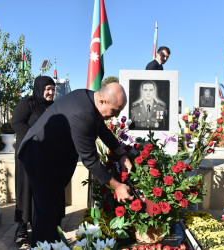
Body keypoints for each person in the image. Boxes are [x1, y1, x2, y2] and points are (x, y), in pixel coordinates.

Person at [17, 82, 134, 247]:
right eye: (115, 111)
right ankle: (42, 245)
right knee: (46, 211)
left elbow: (102, 129)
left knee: (53, 209)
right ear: (102, 102)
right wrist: (117, 186)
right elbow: (90, 160)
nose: (116, 116)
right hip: (39, 155)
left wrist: (121, 153)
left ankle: (52, 243)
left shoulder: (90, 99)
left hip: (51, 157)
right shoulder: (82, 113)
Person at [10, 76, 56, 243]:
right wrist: (35, 135)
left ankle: (39, 224)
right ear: (39, 88)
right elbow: (16, 123)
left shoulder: (54, 107)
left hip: (46, 156)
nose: (50, 92)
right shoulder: (28, 103)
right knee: (25, 188)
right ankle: (22, 226)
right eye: (47, 89)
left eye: (53, 89)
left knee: (42, 191)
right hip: (27, 154)